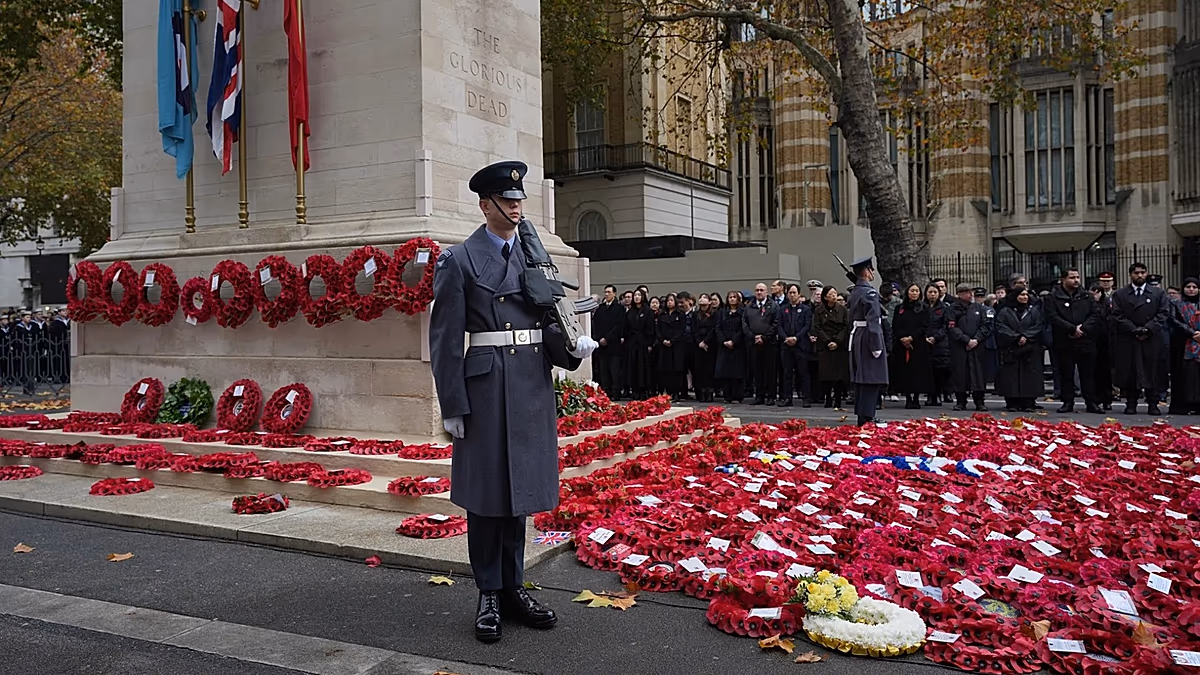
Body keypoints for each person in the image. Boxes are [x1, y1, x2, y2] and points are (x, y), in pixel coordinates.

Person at [428, 160, 597, 643]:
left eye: (520, 199)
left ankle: (513, 587)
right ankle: (488, 592)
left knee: (518, 492)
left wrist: (571, 347)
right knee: (486, 499)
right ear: (486, 206)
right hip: (484, 387)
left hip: (527, 384)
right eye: (508, 200)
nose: (518, 206)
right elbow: (444, 342)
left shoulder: (532, 257)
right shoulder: (459, 260)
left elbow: (548, 320)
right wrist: (453, 405)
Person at [1110, 262, 1169, 415]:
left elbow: (1163, 313)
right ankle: (1131, 402)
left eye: (1143, 272)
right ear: (1131, 274)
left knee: (1152, 370)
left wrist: (1148, 329)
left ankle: (1153, 403)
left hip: (1151, 338)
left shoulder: (1158, 293)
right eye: (1136, 273)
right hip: (1129, 338)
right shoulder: (1120, 294)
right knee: (1131, 371)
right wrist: (1133, 329)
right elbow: (1117, 315)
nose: (1140, 275)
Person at [1045, 267, 1103, 413]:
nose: (1076, 280)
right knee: (1066, 374)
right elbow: (1053, 316)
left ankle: (1091, 402)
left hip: (1085, 340)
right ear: (1063, 279)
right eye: (1072, 277)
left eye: (1077, 277)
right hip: (1064, 340)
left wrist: (1082, 329)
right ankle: (1067, 402)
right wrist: (1071, 329)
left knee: (1088, 374)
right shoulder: (1053, 297)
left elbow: (1095, 315)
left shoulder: (1087, 296)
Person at [844, 256, 887, 425]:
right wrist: (876, 344)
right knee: (871, 377)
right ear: (867, 271)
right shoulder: (869, 292)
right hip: (868, 336)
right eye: (871, 269)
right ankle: (868, 415)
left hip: (857, 336)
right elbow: (873, 320)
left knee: (861, 379)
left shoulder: (856, 291)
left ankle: (863, 414)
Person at [995, 287, 1045, 412]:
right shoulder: (1005, 311)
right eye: (1022, 295)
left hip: (1030, 347)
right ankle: (1012, 402)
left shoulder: (1034, 311)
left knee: (1030, 375)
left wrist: (1026, 336)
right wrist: (1016, 337)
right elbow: (1000, 326)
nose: (1025, 297)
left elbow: (1039, 325)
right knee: (1011, 376)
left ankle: (1029, 402)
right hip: (1012, 347)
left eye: (1026, 295)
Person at [947, 282, 993, 411]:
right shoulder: (952, 309)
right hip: (960, 347)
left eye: (970, 292)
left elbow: (985, 326)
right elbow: (951, 327)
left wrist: (976, 339)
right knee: (960, 374)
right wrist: (966, 340)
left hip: (977, 347)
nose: (970, 294)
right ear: (960, 294)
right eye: (967, 292)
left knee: (978, 374)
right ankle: (961, 401)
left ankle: (979, 401)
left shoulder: (979, 308)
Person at [890, 283, 931, 409]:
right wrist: (903, 339)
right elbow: (895, 325)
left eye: (916, 291)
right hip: (902, 344)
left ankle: (916, 398)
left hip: (918, 344)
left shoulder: (924, 308)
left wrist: (911, 338)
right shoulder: (900, 308)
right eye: (912, 291)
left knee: (917, 372)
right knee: (904, 372)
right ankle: (907, 397)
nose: (914, 293)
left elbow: (924, 326)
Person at [777, 283, 812, 407]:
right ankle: (787, 398)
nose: (792, 295)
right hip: (786, 345)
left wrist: (796, 337)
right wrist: (786, 338)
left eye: (794, 293)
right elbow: (779, 325)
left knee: (803, 372)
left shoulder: (806, 309)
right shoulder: (782, 309)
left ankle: (806, 398)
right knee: (787, 373)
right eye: (790, 293)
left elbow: (807, 326)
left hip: (800, 345)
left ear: (799, 294)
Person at [1168, 278, 1200, 414]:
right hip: (1182, 343)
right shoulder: (1176, 304)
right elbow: (1173, 320)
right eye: (1188, 286)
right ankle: (1182, 405)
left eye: (1194, 287)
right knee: (1183, 375)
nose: (1191, 289)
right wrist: (1192, 333)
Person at [745, 283, 779, 405]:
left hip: (769, 343)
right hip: (754, 343)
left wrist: (764, 337)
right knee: (757, 371)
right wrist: (753, 336)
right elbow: (745, 323)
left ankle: (771, 396)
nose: (759, 292)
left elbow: (775, 323)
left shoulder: (773, 306)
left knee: (770, 371)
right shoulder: (749, 307)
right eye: (757, 290)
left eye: (762, 290)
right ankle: (759, 396)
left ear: (766, 292)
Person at [592, 285, 625, 400]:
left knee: (614, 370)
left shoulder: (619, 309)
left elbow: (619, 326)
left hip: (613, 344)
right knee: (603, 370)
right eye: (605, 292)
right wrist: (600, 338)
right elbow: (596, 324)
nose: (606, 294)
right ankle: (606, 392)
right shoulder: (600, 309)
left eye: (609, 292)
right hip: (602, 345)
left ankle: (616, 392)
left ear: (614, 294)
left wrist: (607, 338)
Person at [715, 290, 747, 403]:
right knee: (725, 372)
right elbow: (718, 328)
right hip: (724, 346)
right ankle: (727, 396)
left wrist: (734, 341)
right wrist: (723, 341)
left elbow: (743, 328)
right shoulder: (722, 312)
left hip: (737, 346)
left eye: (734, 297)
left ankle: (738, 395)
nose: (732, 299)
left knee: (737, 372)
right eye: (730, 297)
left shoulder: (742, 312)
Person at [623, 289, 655, 400]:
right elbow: (626, 327)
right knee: (632, 366)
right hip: (632, 342)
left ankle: (643, 390)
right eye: (635, 295)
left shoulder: (648, 311)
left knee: (643, 367)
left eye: (638, 295)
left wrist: (649, 343)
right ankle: (634, 389)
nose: (636, 297)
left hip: (643, 343)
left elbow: (651, 328)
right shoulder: (630, 312)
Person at [655, 294, 687, 401]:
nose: (669, 302)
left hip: (676, 346)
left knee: (676, 370)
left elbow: (681, 330)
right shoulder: (662, 315)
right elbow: (658, 330)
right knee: (665, 370)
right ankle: (666, 392)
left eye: (672, 300)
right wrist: (662, 340)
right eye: (668, 300)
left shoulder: (680, 314)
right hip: (664, 346)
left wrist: (672, 340)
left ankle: (676, 392)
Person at [924, 284, 951, 406]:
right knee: (928, 370)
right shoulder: (922, 308)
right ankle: (930, 395)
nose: (932, 294)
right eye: (930, 292)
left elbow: (945, 326)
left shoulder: (944, 308)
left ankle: (938, 393)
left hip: (940, 343)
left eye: (935, 292)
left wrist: (935, 337)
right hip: (925, 342)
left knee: (940, 370)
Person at [1090, 284, 1115, 410]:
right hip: (1092, 341)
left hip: (1105, 342)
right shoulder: (1089, 304)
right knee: (1093, 372)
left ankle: (1107, 398)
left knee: (1105, 372)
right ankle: (1095, 398)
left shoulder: (1107, 304)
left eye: (1097, 292)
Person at [691, 294, 718, 402]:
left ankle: (709, 392)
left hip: (710, 344)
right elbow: (693, 329)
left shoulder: (715, 314)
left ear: (710, 301)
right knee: (699, 369)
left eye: (705, 297)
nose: (702, 299)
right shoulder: (695, 314)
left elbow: (714, 328)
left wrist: (706, 341)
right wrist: (699, 342)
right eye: (700, 297)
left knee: (709, 369)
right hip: (698, 345)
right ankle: (700, 392)